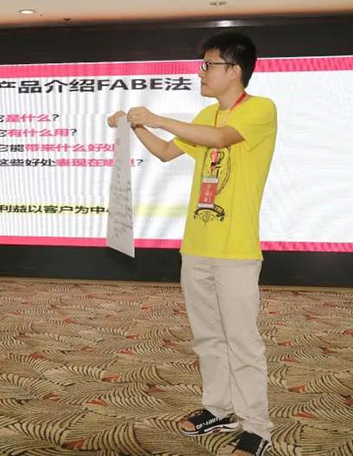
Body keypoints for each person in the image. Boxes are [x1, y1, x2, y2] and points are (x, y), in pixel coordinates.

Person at [107, 31, 276, 455]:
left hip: (235, 250)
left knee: (241, 340)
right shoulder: (205, 114)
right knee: (207, 337)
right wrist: (135, 125)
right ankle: (218, 409)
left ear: (234, 70)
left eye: (209, 65)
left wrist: (159, 118)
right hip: (197, 245)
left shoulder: (260, 109)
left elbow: (220, 139)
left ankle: (257, 426)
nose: (201, 72)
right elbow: (166, 152)